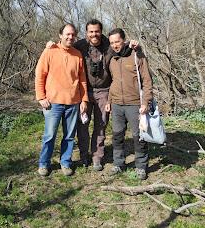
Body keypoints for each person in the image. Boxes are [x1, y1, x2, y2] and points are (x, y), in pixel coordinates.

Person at [46, 19, 139, 171]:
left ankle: (97, 156)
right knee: (82, 125)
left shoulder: (109, 46)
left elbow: (122, 47)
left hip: (104, 91)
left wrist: (134, 45)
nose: (94, 34)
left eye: (96, 31)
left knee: (100, 126)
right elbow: (65, 47)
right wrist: (52, 44)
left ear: (101, 31)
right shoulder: (80, 45)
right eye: (90, 31)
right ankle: (84, 156)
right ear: (86, 32)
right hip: (84, 92)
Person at [35, 23, 88, 176]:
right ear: (60, 35)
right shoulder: (50, 51)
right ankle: (44, 164)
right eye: (67, 34)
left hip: (73, 102)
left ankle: (65, 162)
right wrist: (41, 97)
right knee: (49, 136)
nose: (70, 37)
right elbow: (40, 75)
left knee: (69, 137)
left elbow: (82, 79)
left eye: (73, 34)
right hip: (53, 103)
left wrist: (84, 99)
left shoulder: (77, 54)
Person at [104, 28, 153, 180]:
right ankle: (119, 163)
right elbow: (113, 82)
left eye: (117, 41)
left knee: (139, 136)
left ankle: (141, 166)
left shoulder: (136, 55)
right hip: (117, 104)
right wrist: (109, 101)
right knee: (117, 135)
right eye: (112, 43)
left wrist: (145, 102)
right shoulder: (112, 58)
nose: (115, 45)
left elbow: (147, 81)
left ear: (124, 40)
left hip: (135, 104)